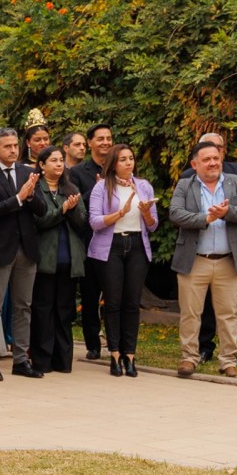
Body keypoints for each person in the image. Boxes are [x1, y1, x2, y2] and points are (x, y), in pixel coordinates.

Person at [170, 140, 237, 378]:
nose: (213, 163)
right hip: (194, 259)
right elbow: (175, 213)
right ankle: (189, 357)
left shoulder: (235, 182)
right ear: (194, 164)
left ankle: (228, 360)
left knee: (228, 313)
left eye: (216, 158)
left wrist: (227, 213)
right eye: (206, 159)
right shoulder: (185, 185)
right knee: (190, 312)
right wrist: (205, 218)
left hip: (228, 260)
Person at [0, 128, 41, 381]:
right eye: (7, 146)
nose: (13, 150)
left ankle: (21, 359)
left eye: (15, 146)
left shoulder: (27, 172)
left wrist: (31, 196)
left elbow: (41, 209)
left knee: (24, 306)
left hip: (26, 248)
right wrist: (19, 197)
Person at [87, 144, 159, 378]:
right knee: (114, 302)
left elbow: (153, 225)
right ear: (113, 164)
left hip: (137, 245)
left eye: (131, 159)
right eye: (122, 160)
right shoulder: (102, 187)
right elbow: (95, 222)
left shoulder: (144, 186)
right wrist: (120, 212)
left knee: (132, 302)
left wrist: (146, 212)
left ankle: (131, 355)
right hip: (111, 248)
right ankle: (114, 353)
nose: (128, 163)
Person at [30, 146, 89, 374]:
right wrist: (62, 210)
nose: (58, 164)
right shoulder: (35, 189)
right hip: (45, 260)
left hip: (68, 260)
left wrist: (71, 209)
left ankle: (63, 361)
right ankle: (42, 360)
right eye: (53, 160)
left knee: (65, 311)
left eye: (61, 160)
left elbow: (82, 221)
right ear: (42, 165)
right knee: (43, 310)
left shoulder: (71, 188)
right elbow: (38, 221)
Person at [67, 124, 114, 360]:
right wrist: (96, 189)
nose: (105, 142)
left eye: (109, 138)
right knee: (90, 295)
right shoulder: (77, 172)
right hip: (88, 241)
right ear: (91, 143)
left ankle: (115, 341)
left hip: (115, 241)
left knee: (114, 294)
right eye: (100, 139)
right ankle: (93, 344)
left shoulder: (119, 167)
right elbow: (75, 204)